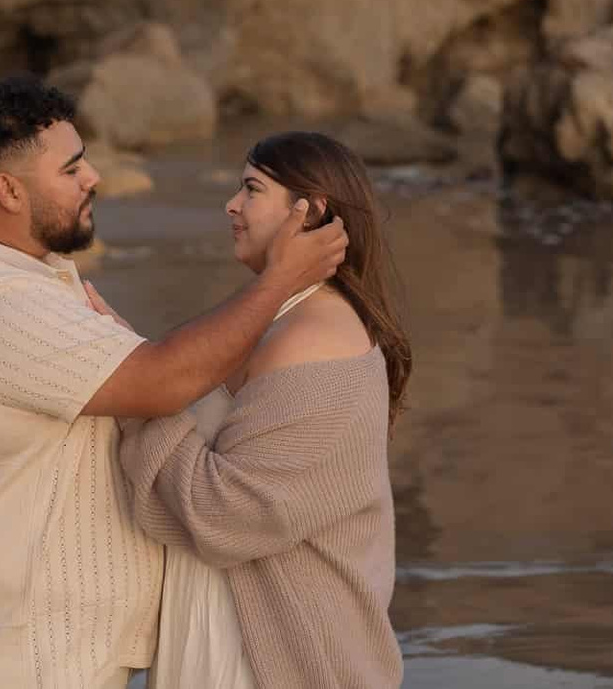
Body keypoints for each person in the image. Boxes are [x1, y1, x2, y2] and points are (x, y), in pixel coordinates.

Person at [0, 77, 347, 689]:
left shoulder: (32, 272)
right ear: (8, 190)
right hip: (18, 659)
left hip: (47, 652)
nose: (93, 179)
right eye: (71, 169)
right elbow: (163, 383)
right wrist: (279, 281)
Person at [105, 131, 410, 689]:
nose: (232, 205)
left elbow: (228, 514)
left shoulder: (316, 337)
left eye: (252, 189)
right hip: (231, 638)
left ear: (309, 211)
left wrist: (137, 396)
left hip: (272, 661)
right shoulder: (285, 320)